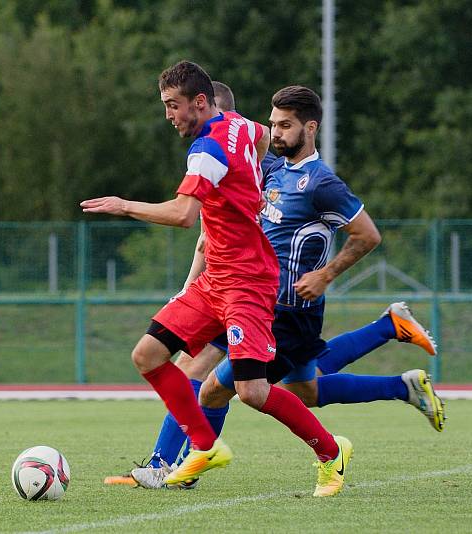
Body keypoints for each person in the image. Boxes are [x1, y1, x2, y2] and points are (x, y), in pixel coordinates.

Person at [81, 61, 352, 497]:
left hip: (248, 282)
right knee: (148, 355)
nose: (169, 115)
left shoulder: (206, 150)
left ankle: (330, 451)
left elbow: (183, 215)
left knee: (252, 392)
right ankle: (205, 446)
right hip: (215, 280)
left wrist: (123, 204)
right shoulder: (238, 125)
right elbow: (262, 139)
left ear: (200, 102)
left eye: (173, 106)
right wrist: (250, 190)